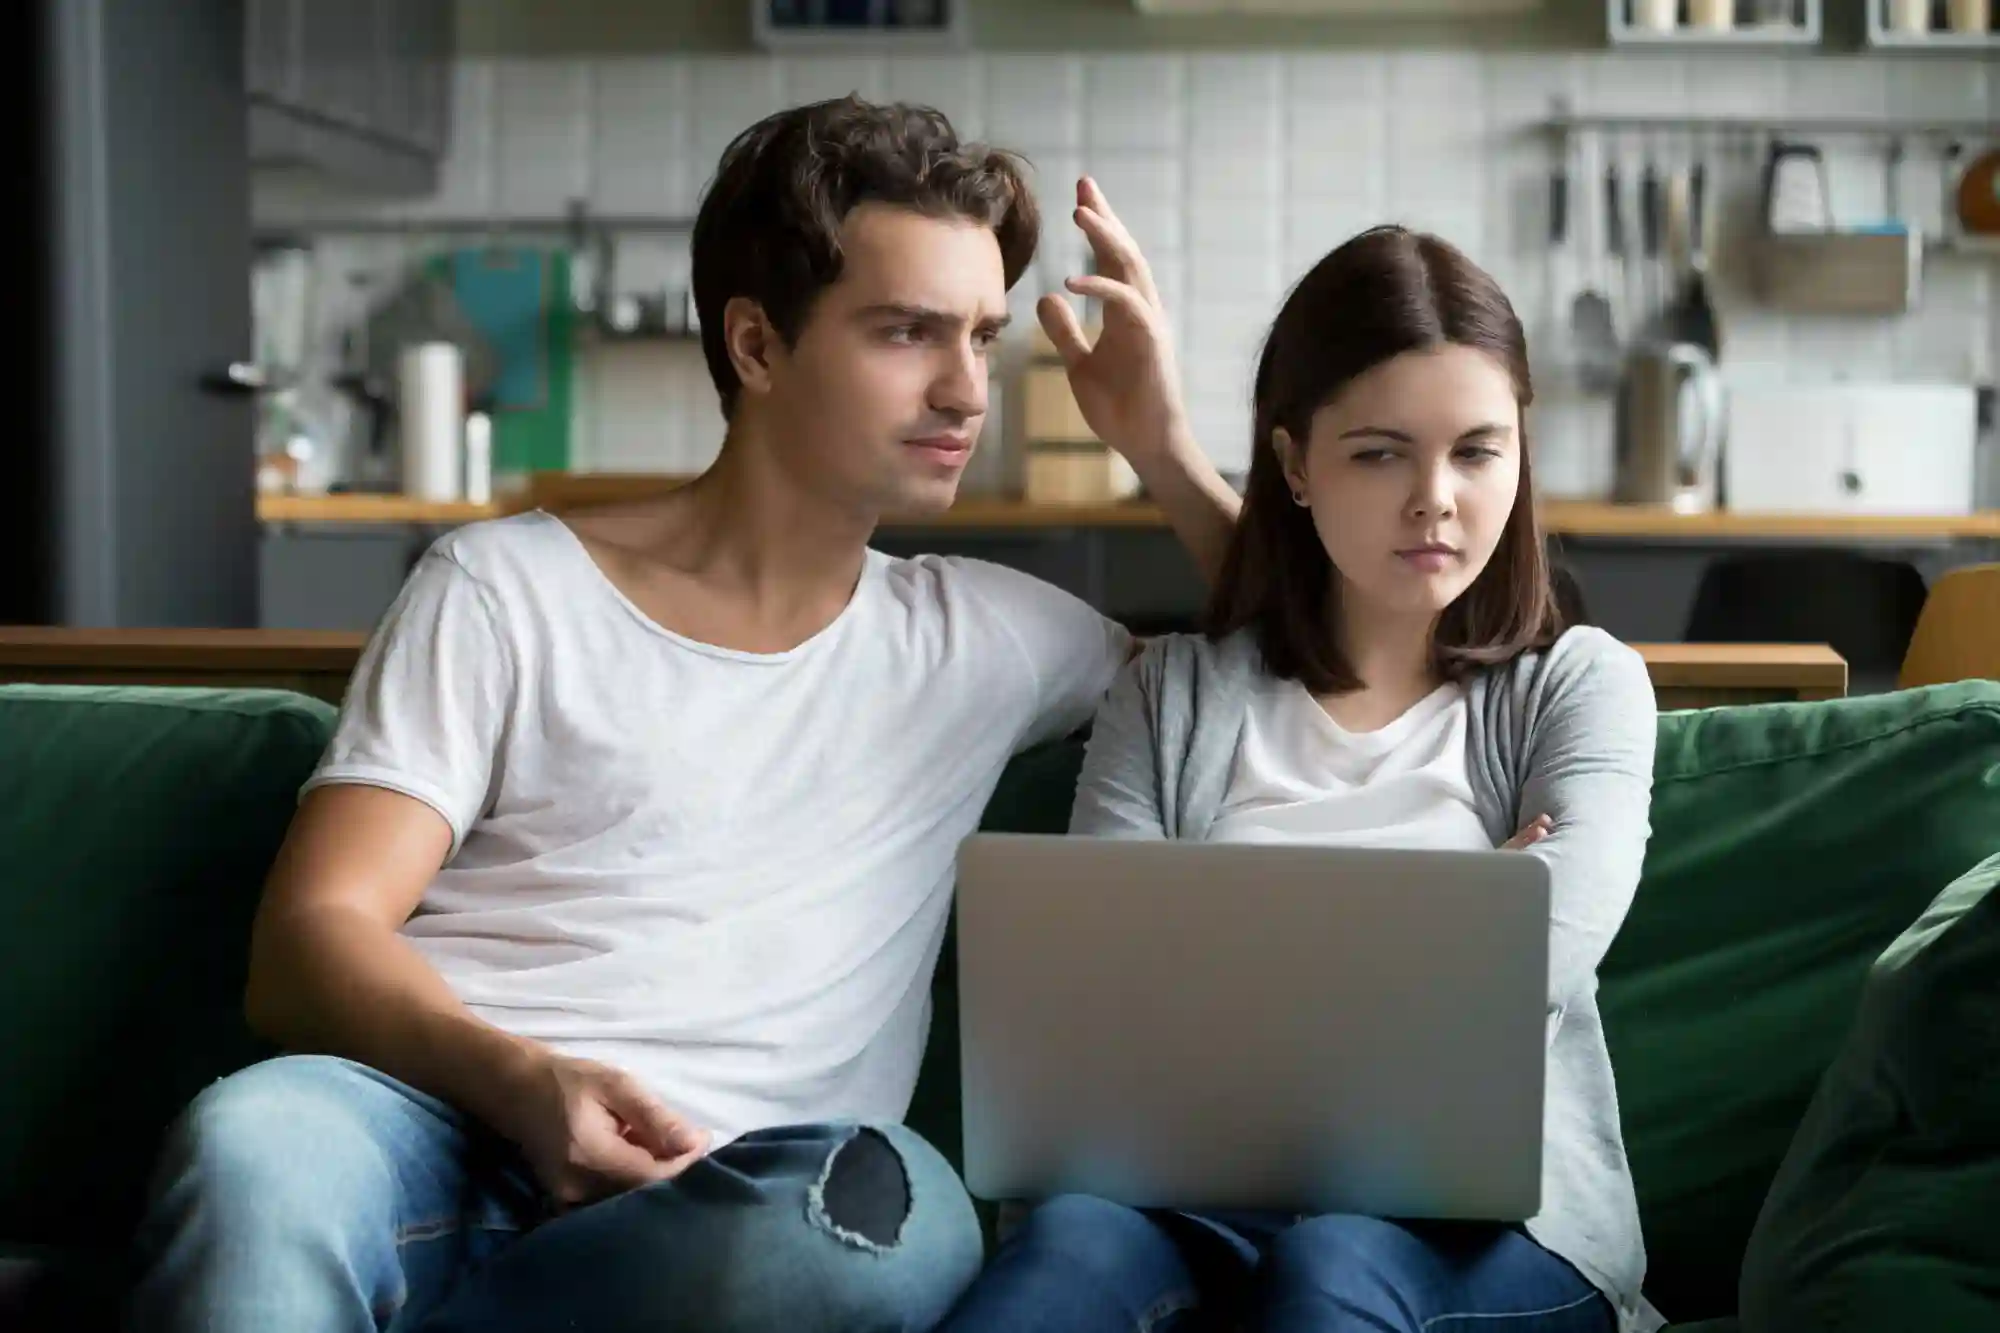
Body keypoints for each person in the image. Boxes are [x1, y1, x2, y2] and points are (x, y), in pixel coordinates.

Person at [124, 96, 1238, 1333]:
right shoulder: (504, 586)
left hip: (734, 1196)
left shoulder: (989, 636)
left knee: (877, 1230)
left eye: (979, 335)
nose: (965, 389)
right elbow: (311, 935)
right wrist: (522, 1081)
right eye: (906, 332)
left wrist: (1161, 444)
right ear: (756, 347)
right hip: (433, 1127)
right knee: (252, 1142)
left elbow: (1307, 654)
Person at [936, 227, 1662, 1333]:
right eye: (1377, 452)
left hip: (1490, 1231)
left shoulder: (1578, 687)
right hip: (1182, 1198)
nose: (1435, 498)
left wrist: (1227, 964)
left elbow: (1546, 952)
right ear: (1292, 464)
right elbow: (1106, 982)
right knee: (1061, 1254)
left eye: (1477, 450)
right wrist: (1462, 923)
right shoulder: (1166, 695)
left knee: (1330, 1269)